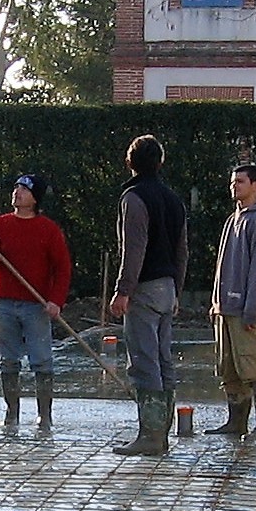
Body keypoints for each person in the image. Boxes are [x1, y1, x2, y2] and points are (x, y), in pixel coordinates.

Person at [107, 134, 187, 457]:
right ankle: (162, 433)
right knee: (164, 360)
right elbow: (182, 251)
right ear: (160, 162)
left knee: (143, 361)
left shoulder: (134, 198)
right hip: (168, 287)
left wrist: (123, 290)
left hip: (144, 287)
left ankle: (150, 436)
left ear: (130, 163)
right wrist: (177, 290)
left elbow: (134, 249)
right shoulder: (173, 200)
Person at [0, 173, 73, 430]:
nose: (17, 192)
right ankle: (12, 413)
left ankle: (44, 416)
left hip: (36, 306)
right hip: (4, 302)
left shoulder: (48, 230)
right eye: (16, 188)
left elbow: (62, 268)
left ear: (35, 198)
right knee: (8, 360)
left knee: (41, 360)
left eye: (24, 190)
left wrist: (55, 301)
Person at [211, 163, 256, 440]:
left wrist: (253, 309)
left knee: (254, 366)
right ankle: (235, 421)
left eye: (240, 181)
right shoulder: (233, 219)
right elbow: (222, 265)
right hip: (225, 309)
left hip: (244, 310)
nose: (234, 186)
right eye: (233, 181)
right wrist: (216, 302)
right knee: (229, 368)